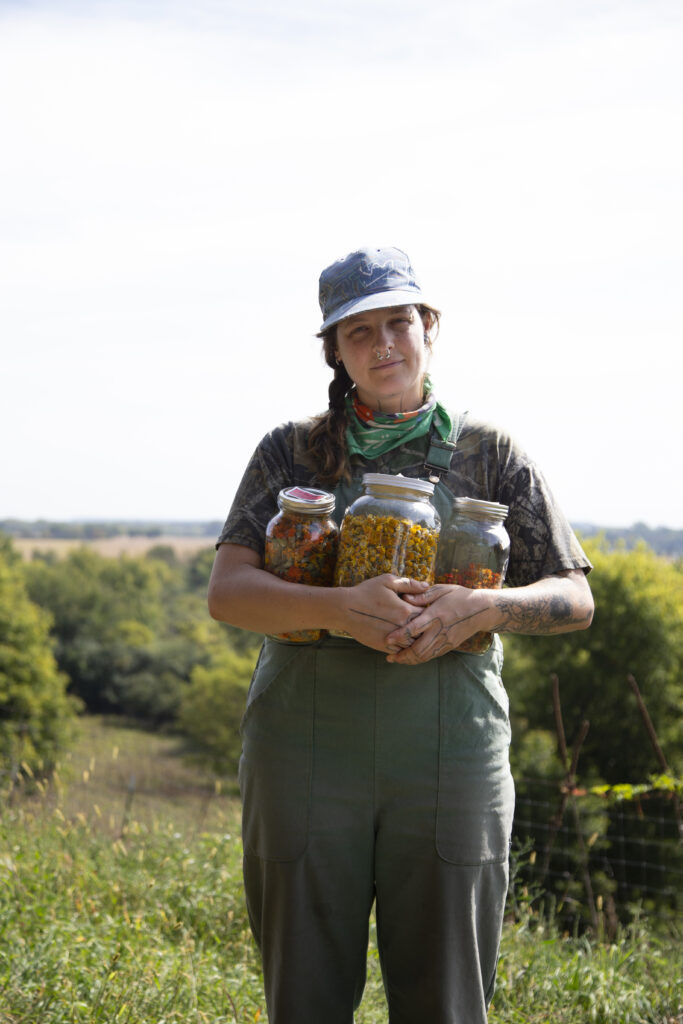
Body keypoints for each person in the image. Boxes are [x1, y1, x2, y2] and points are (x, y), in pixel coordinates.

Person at [208, 245, 594, 1024]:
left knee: (445, 999)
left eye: (398, 323)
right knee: (305, 996)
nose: (383, 345)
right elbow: (230, 593)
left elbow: (573, 596)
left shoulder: (491, 454)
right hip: (306, 747)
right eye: (359, 334)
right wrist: (337, 607)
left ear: (430, 327)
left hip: (449, 751)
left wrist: (483, 609)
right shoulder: (292, 453)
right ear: (335, 351)